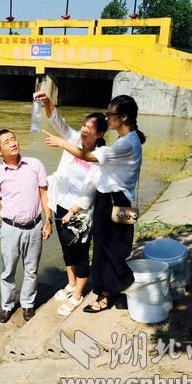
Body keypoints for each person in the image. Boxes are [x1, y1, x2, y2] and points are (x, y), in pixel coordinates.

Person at [43, 95, 145, 313]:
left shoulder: (123, 144)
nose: (108, 118)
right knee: (114, 245)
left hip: (113, 201)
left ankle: (108, 293)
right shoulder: (129, 139)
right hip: (121, 200)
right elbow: (57, 120)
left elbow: (89, 159)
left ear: (124, 117)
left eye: (110, 115)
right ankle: (110, 288)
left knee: (109, 248)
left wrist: (61, 143)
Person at [33, 91, 108, 317]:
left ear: (100, 133)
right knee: (66, 249)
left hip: (82, 212)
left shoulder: (101, 156)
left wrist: (73, 211)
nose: (84, 129)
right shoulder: (73, 139)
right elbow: (57, 120)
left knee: (81, 252)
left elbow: (92, 192)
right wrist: (46, 102)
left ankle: (78, 294)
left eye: (90, 128)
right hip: (61, 203)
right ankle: (70, 282)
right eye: (84, 124)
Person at [0, 129, 52, 323]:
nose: (13, 143)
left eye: (13, 139)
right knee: (8, 271)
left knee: (31, 269)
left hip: (34, 227)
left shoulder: (34, 165)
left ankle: (28, 305)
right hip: (9, 229)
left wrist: (48, 221)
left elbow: (44, 194)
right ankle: (7, 306)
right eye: (6, 142)